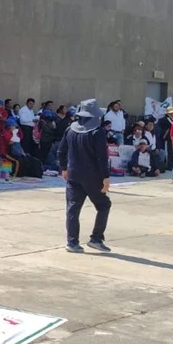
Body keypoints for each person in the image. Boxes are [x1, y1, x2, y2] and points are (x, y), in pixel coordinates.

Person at [58, 100, 112, 253]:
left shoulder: (70, 129)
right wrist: (106, 177)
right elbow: (102, 157)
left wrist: (64, 168)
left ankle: (72, 242)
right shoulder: (97, 132)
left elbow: (61, 151)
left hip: (73, 174)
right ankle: (96, 238)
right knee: (104, 205)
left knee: (73, 208)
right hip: (92, 176)